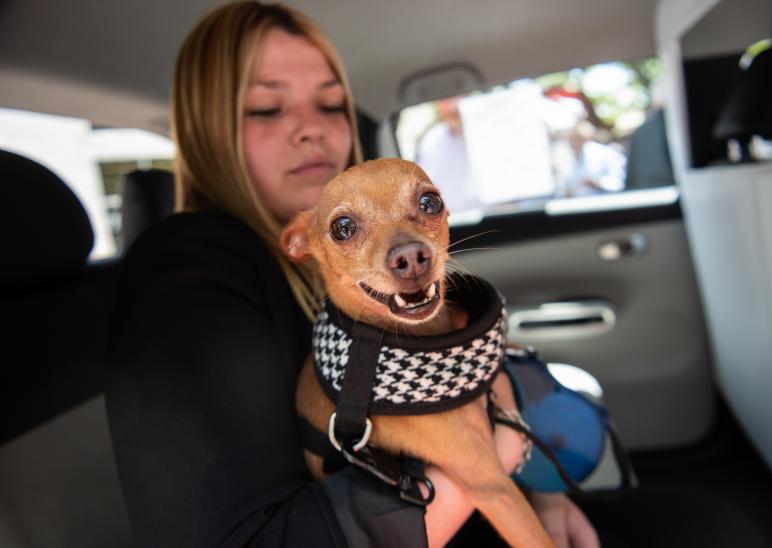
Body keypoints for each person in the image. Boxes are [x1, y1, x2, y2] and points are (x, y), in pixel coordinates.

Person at [104, 2, 597, 547]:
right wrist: (497, 454)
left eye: (333, 104)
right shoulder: (188, 268)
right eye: (267, 109)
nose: (312, 129)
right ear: (204, 129)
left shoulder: (383, 261)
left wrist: (543, 490)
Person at [415, 96, 482, 214]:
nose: (449, 107)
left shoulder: (485, 131)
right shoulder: (432, 139)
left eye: (454, 99)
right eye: (443, 101)